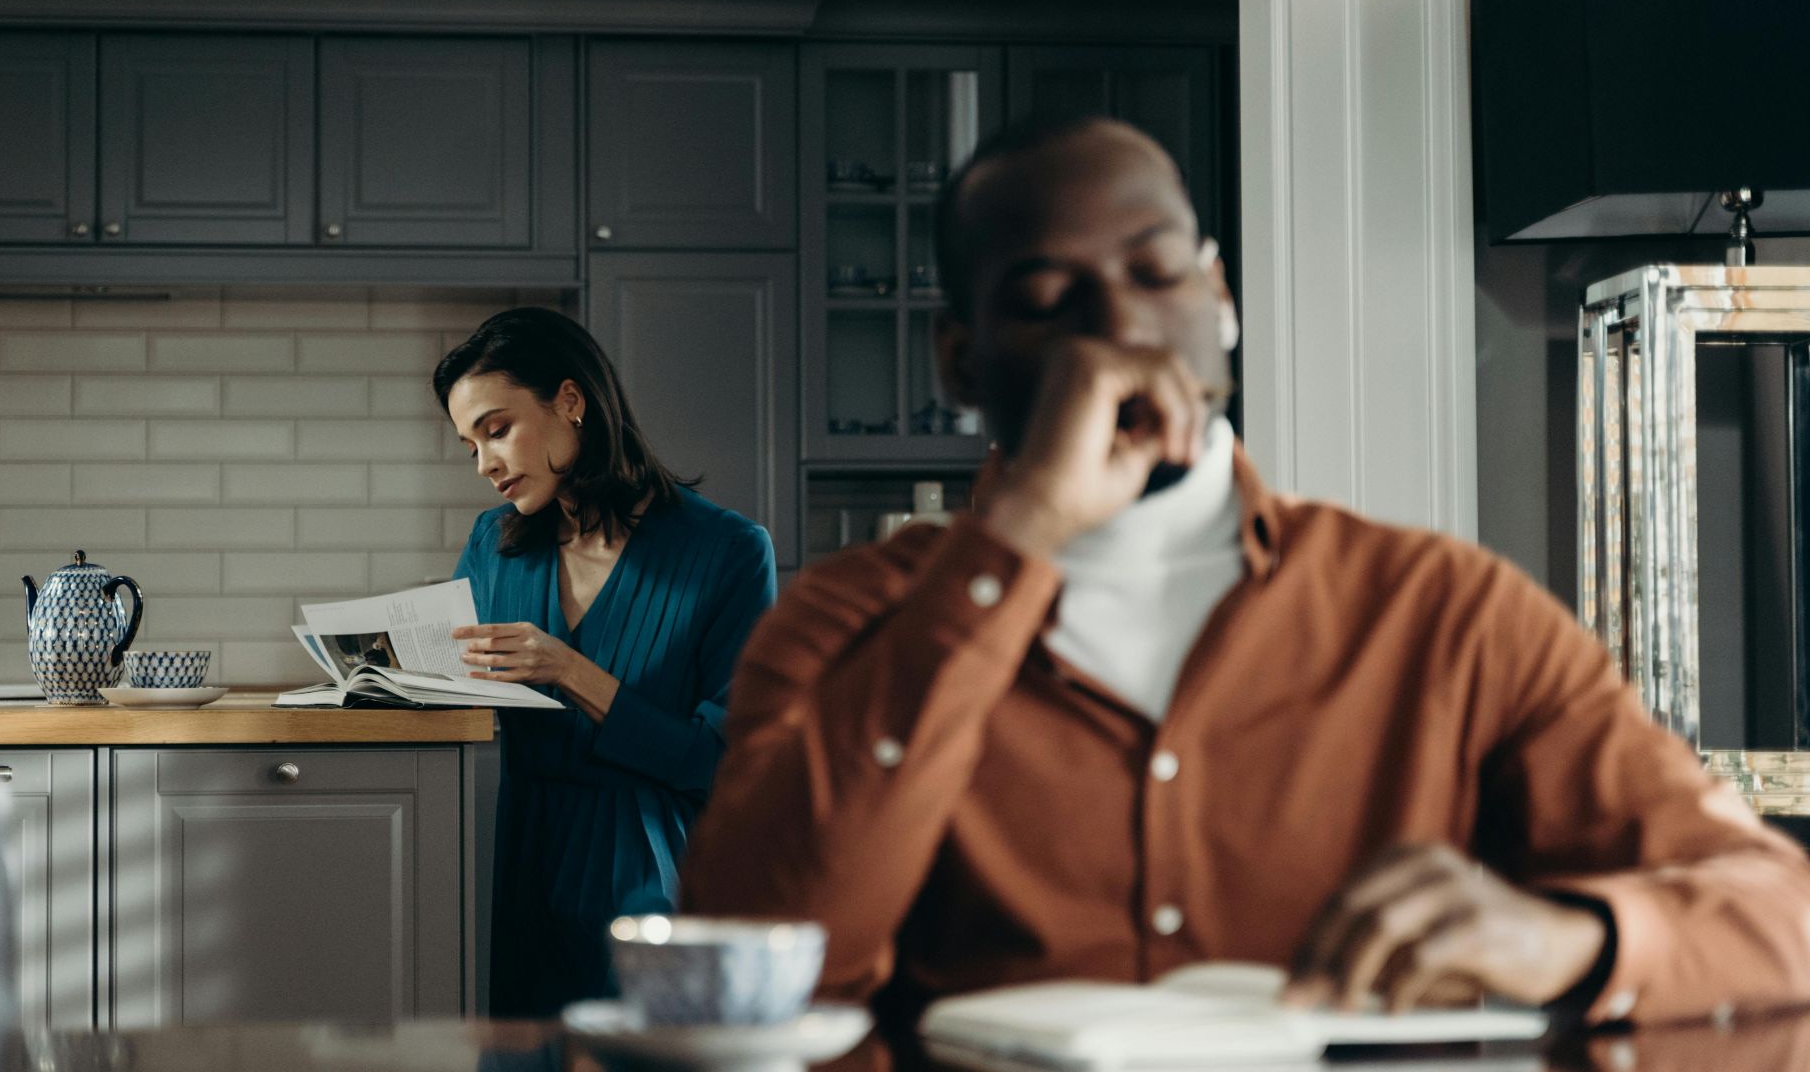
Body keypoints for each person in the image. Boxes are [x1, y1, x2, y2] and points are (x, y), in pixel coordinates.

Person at [677, 117, 1810, 1028]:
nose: (1119, 322)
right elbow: (748, 960)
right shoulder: (843, 619)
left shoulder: (1445, 612)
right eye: (1043, 299)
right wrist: (1014, 536)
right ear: (963, 360)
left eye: (1155, 271)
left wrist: (1567, 937)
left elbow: (1780, 911)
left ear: (1219, 299)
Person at [434, 307, 776, 1017]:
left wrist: (570, 670)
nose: (485, 464)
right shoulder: (493, 543)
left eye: (497, 430)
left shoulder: (729, 552)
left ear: (570, 400)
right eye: (469, 445)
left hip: (653, 879)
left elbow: (725, 762)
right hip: (519, 860)